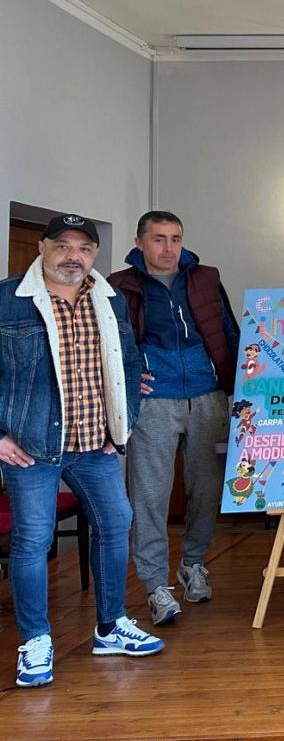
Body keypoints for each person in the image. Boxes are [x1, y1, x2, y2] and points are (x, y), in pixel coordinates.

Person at [0, 214, 164, 688]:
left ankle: (110, 626)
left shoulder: (108, 301)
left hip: (96, 445)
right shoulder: (8, 299)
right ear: (42, 246)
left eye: (85, 248)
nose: (74, 256)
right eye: (64, 245)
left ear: (95, 253)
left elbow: (130, 365)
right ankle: (35, 641)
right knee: (32, 541)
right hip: (32, 447)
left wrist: (123, 424)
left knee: (116, 524)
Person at [108, 211, 239, 627]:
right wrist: (130, 382)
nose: (169, 248)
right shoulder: (119, 285)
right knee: (150, 495)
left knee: (206, 489)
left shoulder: (205, 277)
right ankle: (154, 586)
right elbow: (108, 344)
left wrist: (237, 386)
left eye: (176, 238)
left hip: (207, 394)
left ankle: (193, 564)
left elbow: (228, 331)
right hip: (155, 402)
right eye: (160, 239)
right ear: (140, 242)